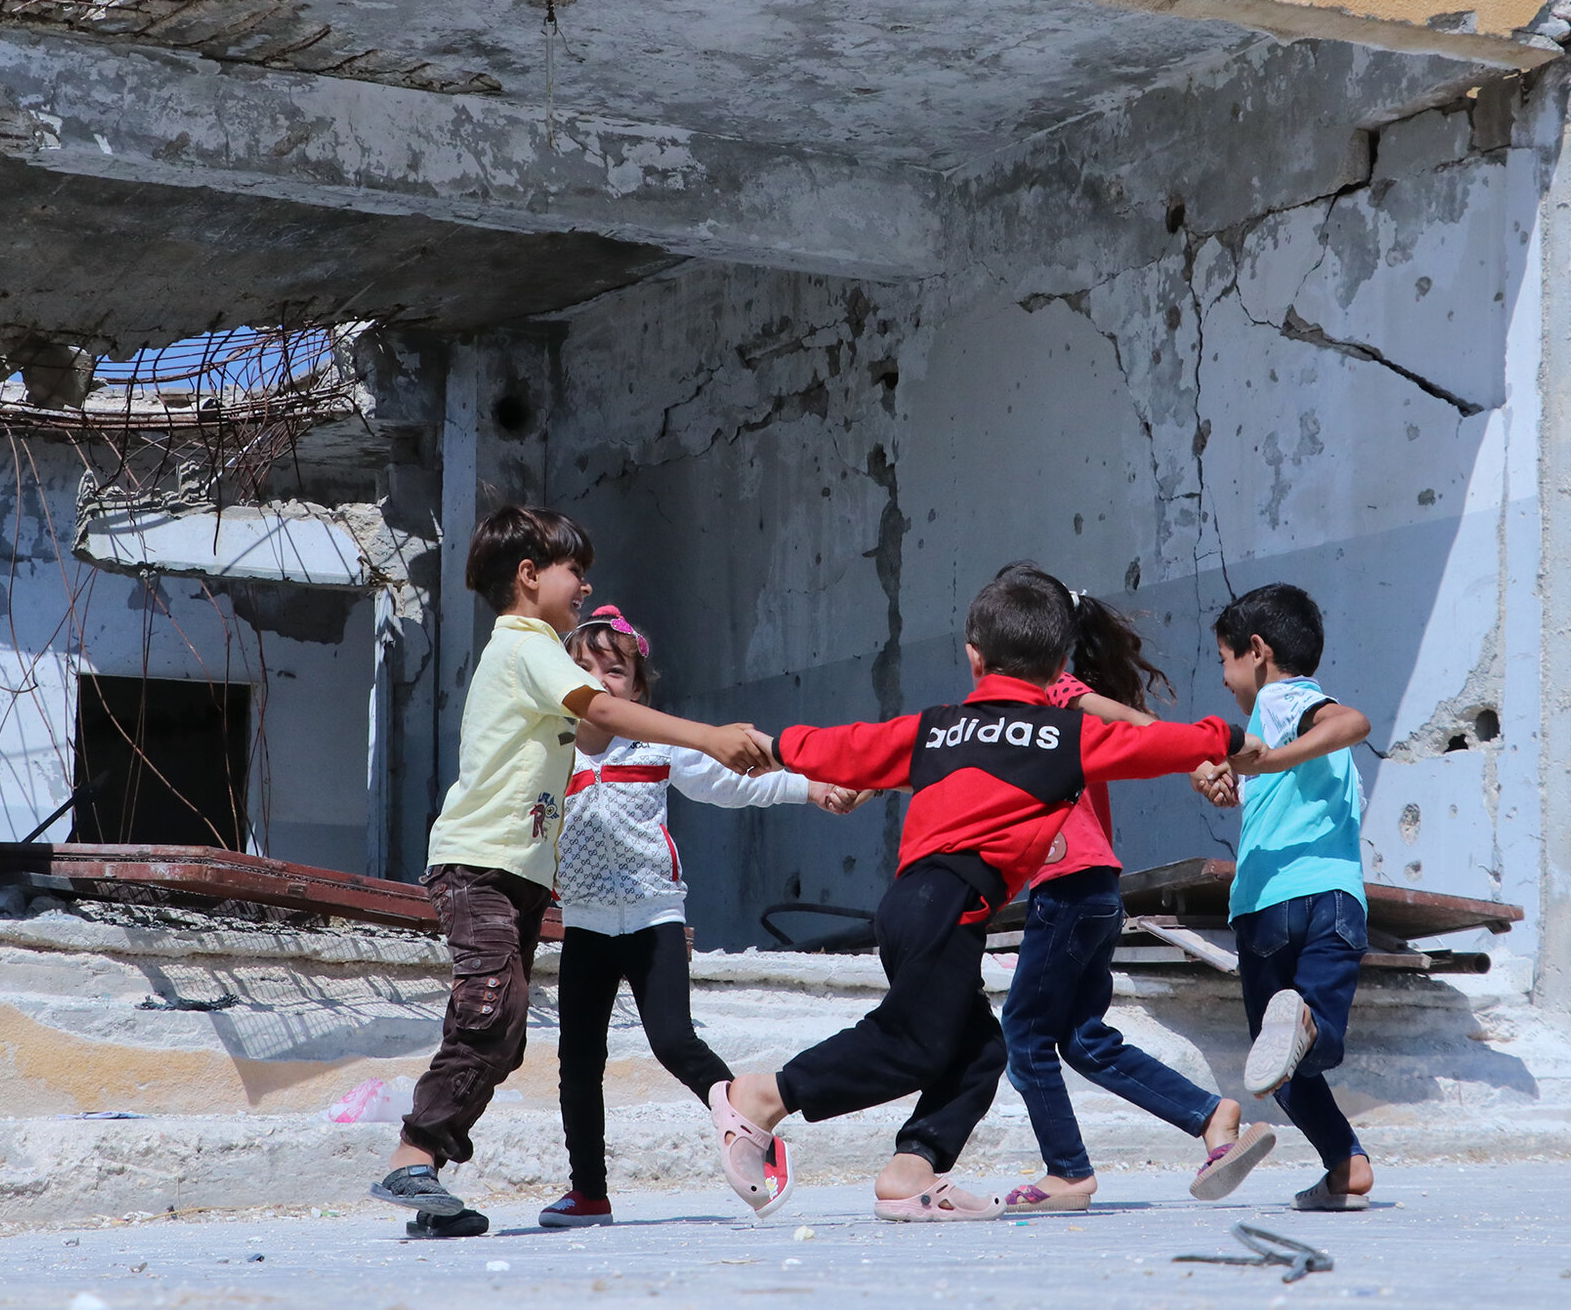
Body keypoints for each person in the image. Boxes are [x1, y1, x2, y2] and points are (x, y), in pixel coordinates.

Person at [707, 565, 1266, 1222]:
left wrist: (777, 746)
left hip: (915, 905)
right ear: (1061, 660)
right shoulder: (1063, 735)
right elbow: (1151, 743)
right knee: (912, 1043)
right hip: (949, 907)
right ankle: (762, 1098)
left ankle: (908, 1173)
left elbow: (847, 749)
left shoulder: (937, 727)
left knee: (981, 1051)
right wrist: (1225, 740)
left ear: (973, 655)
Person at [368, 507, 769, 1236]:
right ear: (528, 577)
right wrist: (708, 734)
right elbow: (604, 713)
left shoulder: (538, 650)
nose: (584, 584)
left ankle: (423, 1180)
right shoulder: (528, 646)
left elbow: (600, 728)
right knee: (492, 1012)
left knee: (506, 1031)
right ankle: (412, 1158)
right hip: (477, 867)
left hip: (518, 876)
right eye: (573, 570)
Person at [539, 604, 865, 1229]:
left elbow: (738, 785)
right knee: (578, 1061)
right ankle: (588, 1193)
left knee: (673, 1042)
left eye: (615, 670)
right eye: (583, 667)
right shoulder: (550, 749)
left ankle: (751, 1133)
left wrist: (812, 786)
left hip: (653, 917)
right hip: (583, 925)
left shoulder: (658, 744)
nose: (600, 680)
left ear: (636, 689)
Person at [999, 575, 1279, 1213]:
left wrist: (1197, 758)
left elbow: (1127, 721)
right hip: (1093, 890)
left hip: (1071, 888)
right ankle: (1211, 1116)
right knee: (1080, 1037)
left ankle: (1067, 1173)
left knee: (1024, 1032)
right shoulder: (1023, 707)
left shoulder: (1054, 692)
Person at [1189, 583, 1377, 1214]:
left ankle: (1298, 1025)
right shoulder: (1267, 727)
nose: (1223, 678)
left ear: (1258, 651)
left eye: (1224, 659)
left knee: (1280, 1052)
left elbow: (1350, 722)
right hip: (1337, 903)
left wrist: (1261, 765)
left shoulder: (1284, 699)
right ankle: (1345, 1164)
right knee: (1293, 1053)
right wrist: (1229, 778)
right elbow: (1255, 771)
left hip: (1272, 903)